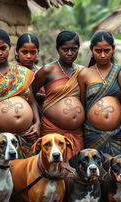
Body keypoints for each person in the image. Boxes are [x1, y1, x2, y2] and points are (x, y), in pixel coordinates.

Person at [0, 28, 40, 156]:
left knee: (26, 173)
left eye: (3, 48)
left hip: (26, 135)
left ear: (9, 47)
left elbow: (32, 101)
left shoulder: (22, 72)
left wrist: (37, 123)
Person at [32, 30, 84, 161]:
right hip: (51, 129)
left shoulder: (82, 72)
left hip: (77, 132)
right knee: (51, 167)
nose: (70, 53)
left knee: (75, 170)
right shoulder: (47, 70)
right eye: (65, 49)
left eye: (74, 49)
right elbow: (30, 94)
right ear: (57, 49)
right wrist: (38, 118)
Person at [78, 30, 121, 155]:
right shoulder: (85, 74)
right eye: (98, 51)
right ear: (91, 49)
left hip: (118, 135)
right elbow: (83, 104)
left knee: (118, 169)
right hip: (92, 134)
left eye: (107, 51)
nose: (103, 55)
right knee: (95, 169)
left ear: (113, 49)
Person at [15, 33, 45, 107]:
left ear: (37, 52)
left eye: (32, 52)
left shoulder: (42, 72)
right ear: (17, 51)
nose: (28, 56)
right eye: (24, 52)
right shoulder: (12, 72)